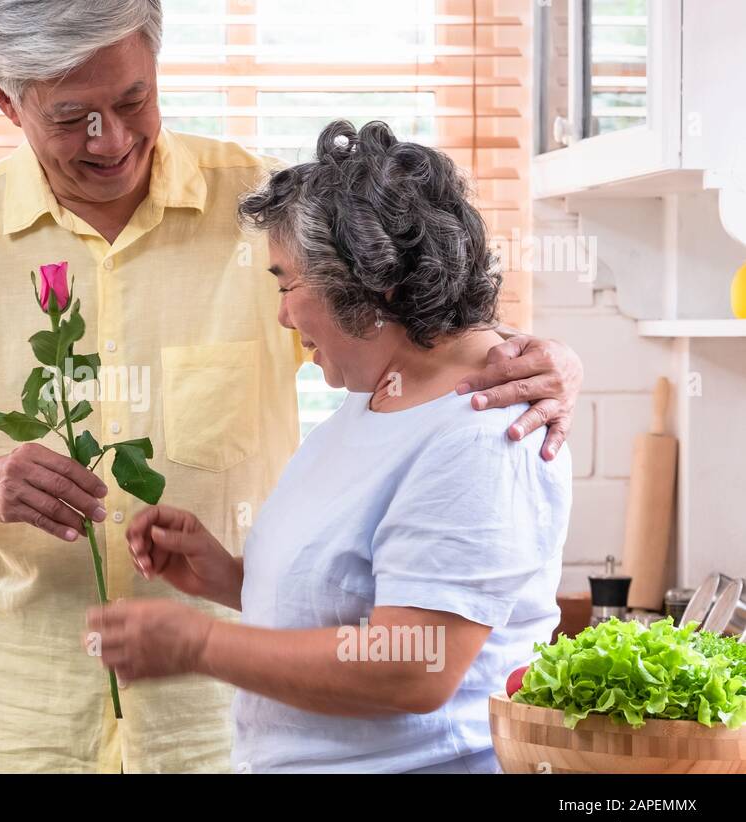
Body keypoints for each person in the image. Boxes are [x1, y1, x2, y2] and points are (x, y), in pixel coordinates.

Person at [0, 0, 583, 773]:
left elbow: (424, 334)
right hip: (23, 718)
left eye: (132, 100)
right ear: (3, 97)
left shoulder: (263, 215)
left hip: (221, 730)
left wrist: (547, 358)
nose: (112, 139)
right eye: (72, 117)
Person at [87, 120, 573, 773]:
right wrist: (233, 577)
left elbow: (413, 665)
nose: (283, 314)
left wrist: (200, 644)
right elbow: (357, 596)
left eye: (287, 283)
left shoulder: (482, 435)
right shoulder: (375, 400)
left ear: (373, 286)